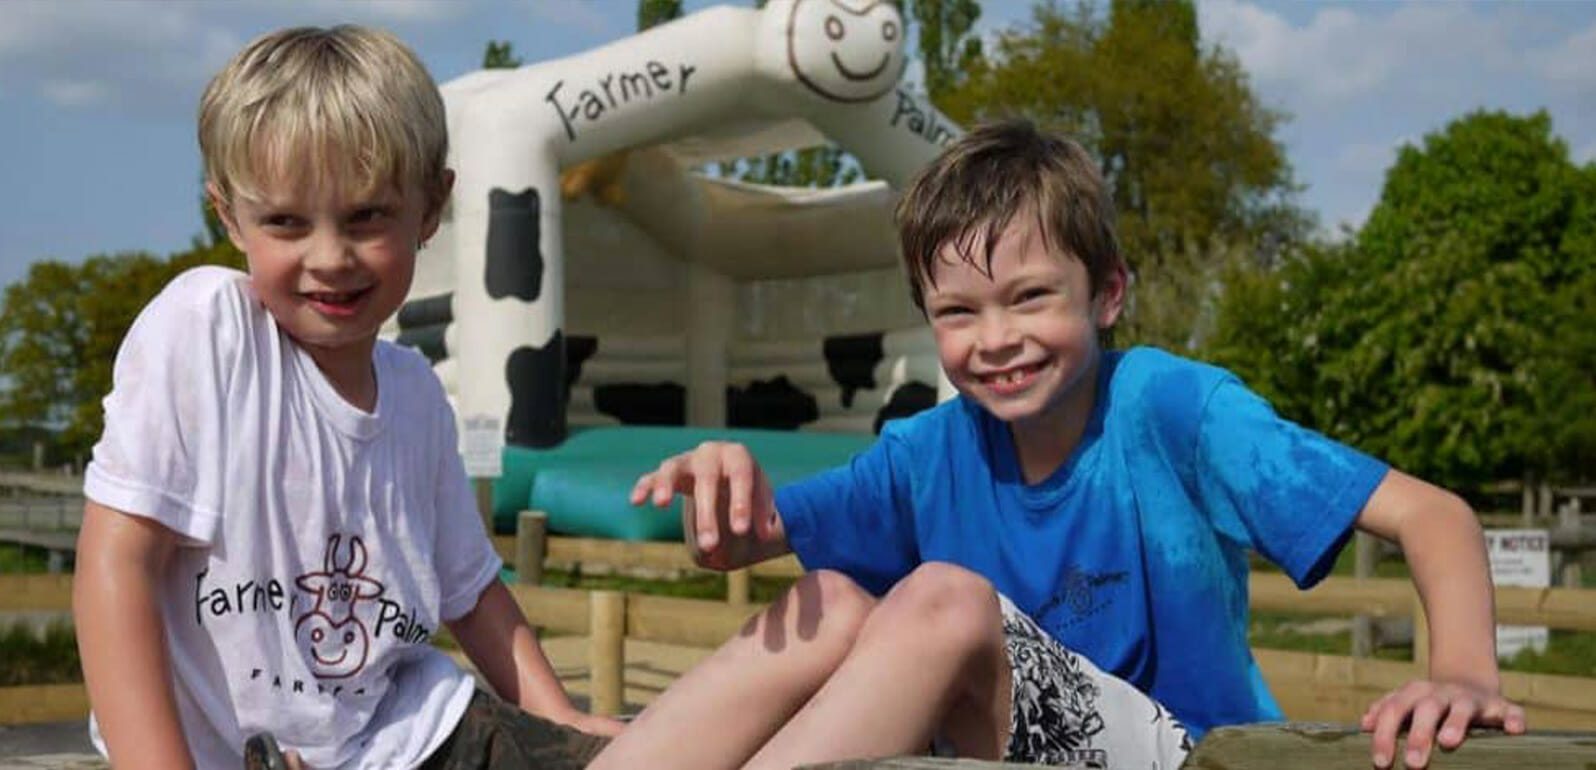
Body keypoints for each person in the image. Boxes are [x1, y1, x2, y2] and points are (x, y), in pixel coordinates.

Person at [593, 120, 1526, 770]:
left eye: (1031, 297)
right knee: (833, 598)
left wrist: (1463, 679)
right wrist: (721, 492)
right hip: (1000, 754)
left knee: (945, 601)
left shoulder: (1172, 410)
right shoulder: (927, 450)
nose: (995, 338)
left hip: (1193, 758)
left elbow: (1431, 513)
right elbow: (739, 541)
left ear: (1107, 294)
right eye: (959, 312)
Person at [72, 25, 619, 770]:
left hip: (408, 736)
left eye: (366, 216)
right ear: (229, 216)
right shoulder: (209, 330)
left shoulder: (417, 395)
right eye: (286, 222)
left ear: (431, 208)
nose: (329, 258)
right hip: (229, 752)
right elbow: (118, 564)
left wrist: (561, 722)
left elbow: (472, 590)